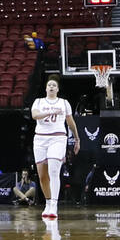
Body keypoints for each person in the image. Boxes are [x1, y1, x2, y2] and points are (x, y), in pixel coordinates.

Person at [31, 78, 80, 219]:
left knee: (53, 170)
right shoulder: (38, 101)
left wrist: (77, 139)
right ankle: (47, 202)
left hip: (58, 138)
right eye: (49, 85)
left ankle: (54, 205)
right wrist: (50, 113)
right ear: (46, 88)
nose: (51, 87)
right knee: (42, 175)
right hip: (40, 138)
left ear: (57, 89)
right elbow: (35, 115)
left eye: (54, 85)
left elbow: (71, 123)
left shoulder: (64, 103)